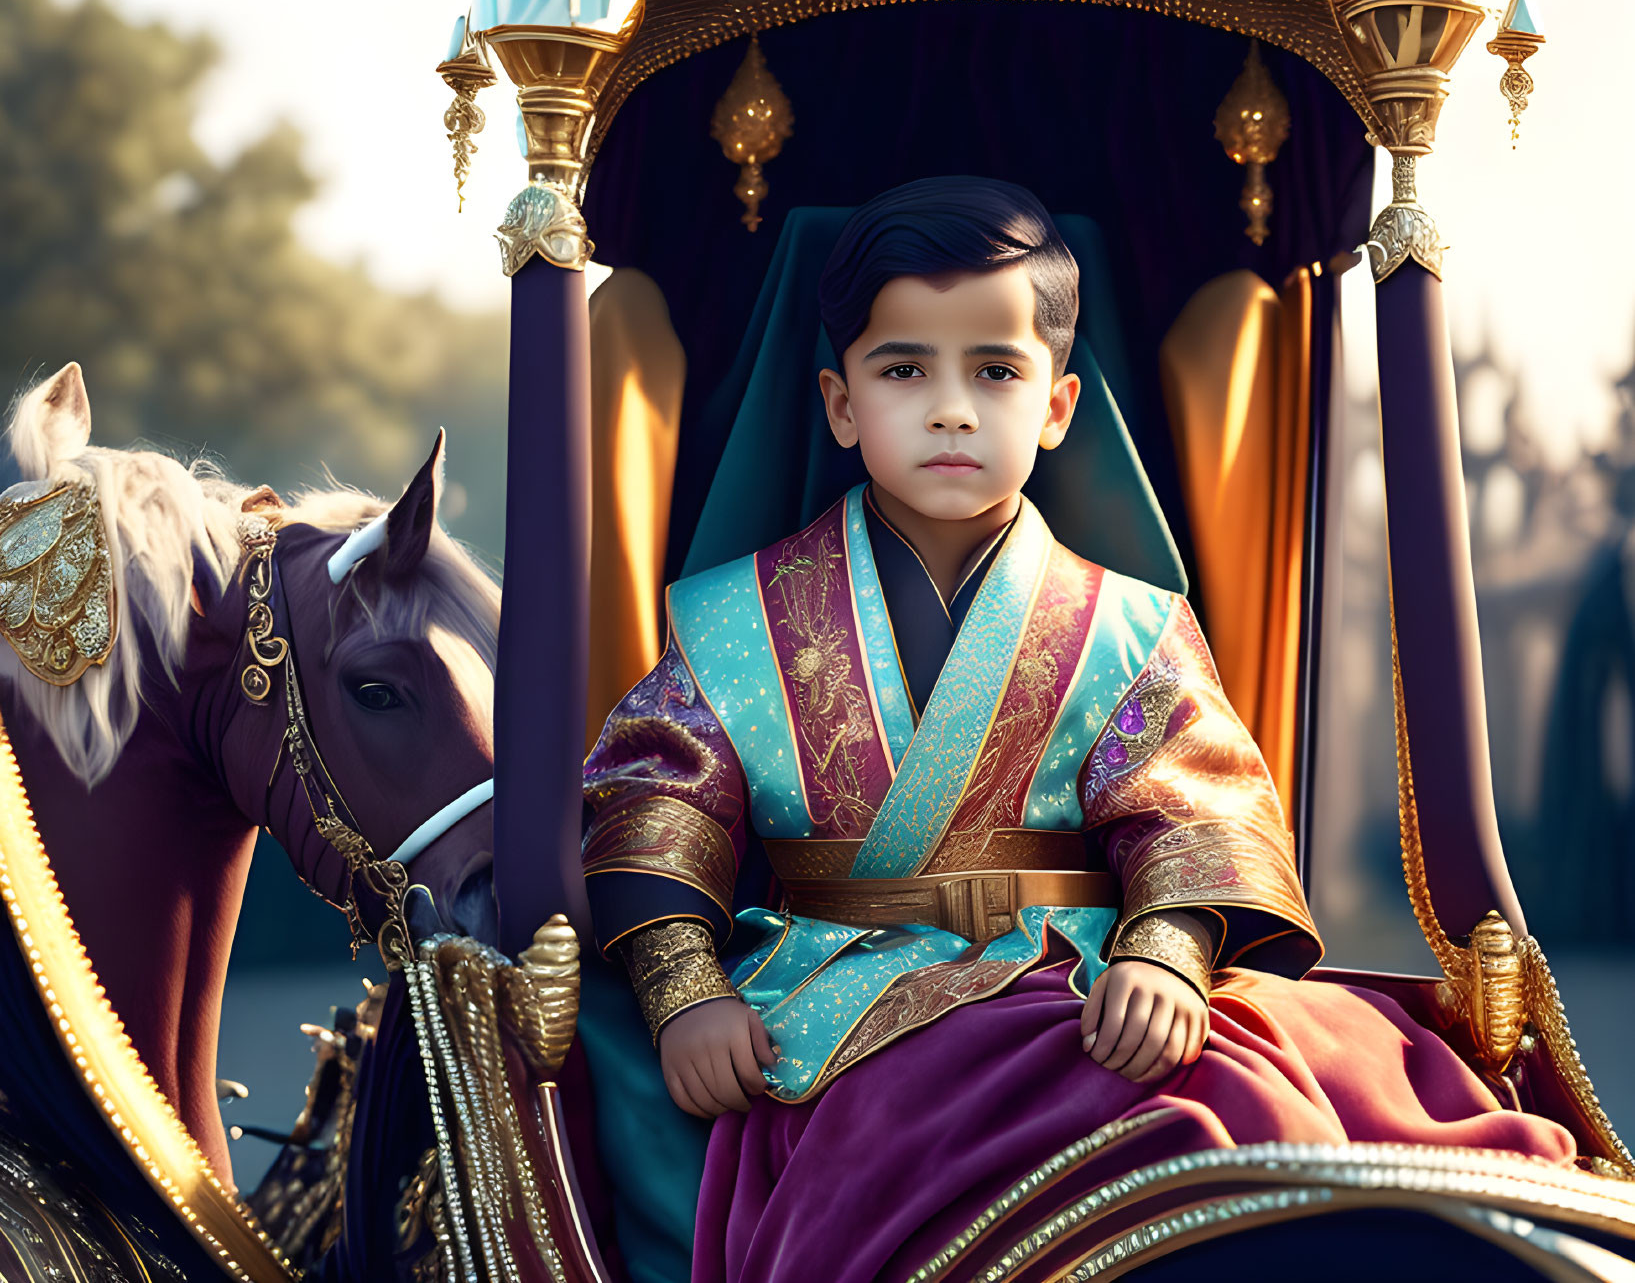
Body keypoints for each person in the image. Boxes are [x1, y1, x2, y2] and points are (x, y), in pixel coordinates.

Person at [582, 177, 1574, 1283]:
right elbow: (653, 806)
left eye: (995, 371)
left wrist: (1170, 950)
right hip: (830, 1012)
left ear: (1057, 406)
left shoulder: (1128, 627)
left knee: (1239, 1100)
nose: (951, 408)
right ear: (840, 402)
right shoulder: (735, 622)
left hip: (1080, 987)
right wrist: (686, 988)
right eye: (904, 369)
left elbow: (1195, 813)